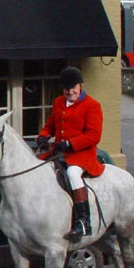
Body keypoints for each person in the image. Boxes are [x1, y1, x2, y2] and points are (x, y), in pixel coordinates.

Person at [35, 66, 104, 240]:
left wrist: (69, 144)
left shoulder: (92, 105)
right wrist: (43, 137)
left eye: (73, 87)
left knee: (72, 174)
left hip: (82, 155)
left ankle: (83, 221)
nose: (70, 91)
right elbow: (50, 125)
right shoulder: (59, 102)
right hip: (59, 153)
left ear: (80, 86)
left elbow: (94, 136)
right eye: (66, 88)